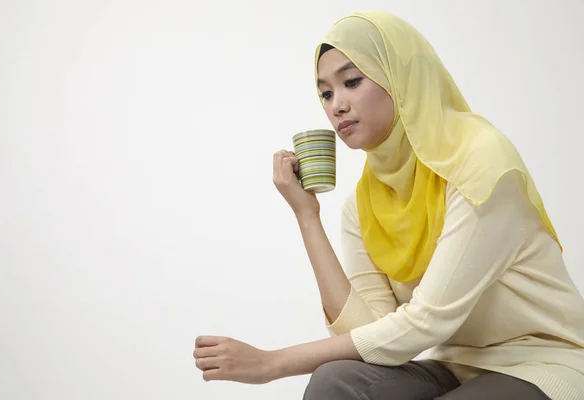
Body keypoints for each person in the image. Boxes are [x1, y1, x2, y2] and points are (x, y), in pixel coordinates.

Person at [193, 10, 584, 400]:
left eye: (351, 81)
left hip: (540, 363)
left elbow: (425, 322)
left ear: (399, 77)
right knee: (336, 381)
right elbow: (369, 335)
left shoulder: (481, 163)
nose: (336, 106)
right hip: (455, 366)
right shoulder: (364, 204)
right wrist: (307, 216)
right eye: (326, 93)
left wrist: (272, 363)